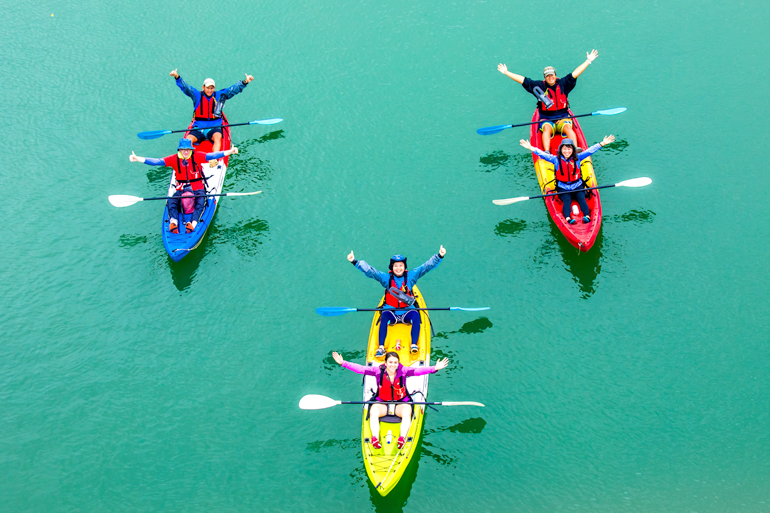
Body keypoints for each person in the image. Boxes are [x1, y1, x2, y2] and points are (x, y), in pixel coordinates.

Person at [332, 350, 449, 449]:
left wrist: (434, 368)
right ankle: (375, 439)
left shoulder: (404, 371)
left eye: (395, 362)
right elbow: (360, 369)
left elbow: (419, 371)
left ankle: (402, 438)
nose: (393, 365)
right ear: (386, 363)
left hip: (401, 402)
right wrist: (343, 363)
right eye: (390, 362)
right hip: (382, 401)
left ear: (398, 363)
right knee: (373, 412)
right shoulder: (377, 371)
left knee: (407, 413)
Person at [347, 247, 446, 357]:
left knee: (416, 316)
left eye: (401, 266)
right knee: (384, 316)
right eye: (396, 266)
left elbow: (426, 267)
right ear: (392, 267)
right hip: (391, 312)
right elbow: (371, 271)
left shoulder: (411, 276)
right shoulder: (386, 278)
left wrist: (439, 256)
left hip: (407, 311)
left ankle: (413, 345)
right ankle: (381, 348)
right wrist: (355, 261)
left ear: (404, 267)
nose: (398, 268)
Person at [129, 139, 239, 233]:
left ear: (191, 150)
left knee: (200, 202)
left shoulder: (197, 156)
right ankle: (174, 222)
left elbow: (212, 155)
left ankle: (193, 223)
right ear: (179, 150)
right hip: (181, 188)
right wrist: (138, 158)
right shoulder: (173, 159)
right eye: (183, 150)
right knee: (172, 201)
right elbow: (157, 161)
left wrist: (229, 151)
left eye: (188, 150)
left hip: (197, 187)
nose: (186, 152)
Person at [497, 50, 599, 152]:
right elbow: (522, 80)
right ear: (545, 77)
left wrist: (588, 60)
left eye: (552, 75)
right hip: (546, 118)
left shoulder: (564, 83)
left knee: (568, 128)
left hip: (563, 117)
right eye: (547, 76)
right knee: (546, 130)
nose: (550, 78)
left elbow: (576, 73)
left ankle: (576, 149)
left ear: (555, 75)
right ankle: (546, 152)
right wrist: (506, 72)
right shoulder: (539, 86)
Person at [520, 135, 615, 224]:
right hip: (563, 186)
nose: (567, 151)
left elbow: (590, 151)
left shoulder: (578, 157)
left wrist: (602, 143)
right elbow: (542, 154)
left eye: (569, 149)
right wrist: (530, 148)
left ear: (573, 150)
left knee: (581, 198)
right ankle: (568, 218)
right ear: (561, 150)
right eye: (564, 149)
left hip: (577, 185)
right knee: (567, 200)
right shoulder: (555, 159)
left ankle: (587, 216)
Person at [169, 69, 254, 159]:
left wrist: (245, 81)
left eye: (212, 88)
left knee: (217, 138)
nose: (210, 90)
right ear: (203, 87)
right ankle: (186, 161)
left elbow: (232, 90)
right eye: (208, 88)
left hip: (214, 126)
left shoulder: (219, 95)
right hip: (199, 127)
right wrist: (177, 77)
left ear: (214, 88)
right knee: (187, 141)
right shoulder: (196, 95)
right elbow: (186, 87)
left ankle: (214, 160)